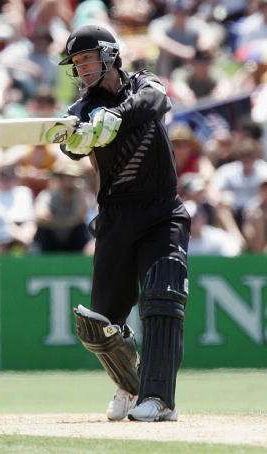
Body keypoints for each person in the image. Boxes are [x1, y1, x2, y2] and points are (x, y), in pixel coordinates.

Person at [58, 25, 190, 422]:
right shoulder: (81, 110)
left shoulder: (143, 83)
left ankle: (160, 399)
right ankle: (131, 388)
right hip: (115, 219)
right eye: (76, 63)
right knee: (99, 324)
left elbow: (156, 100)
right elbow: (69, 142)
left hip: (162, 212)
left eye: (86, 59)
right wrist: (74, 140)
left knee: (162, 297)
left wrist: (114, 117)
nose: (81, 69)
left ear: (109, 55)